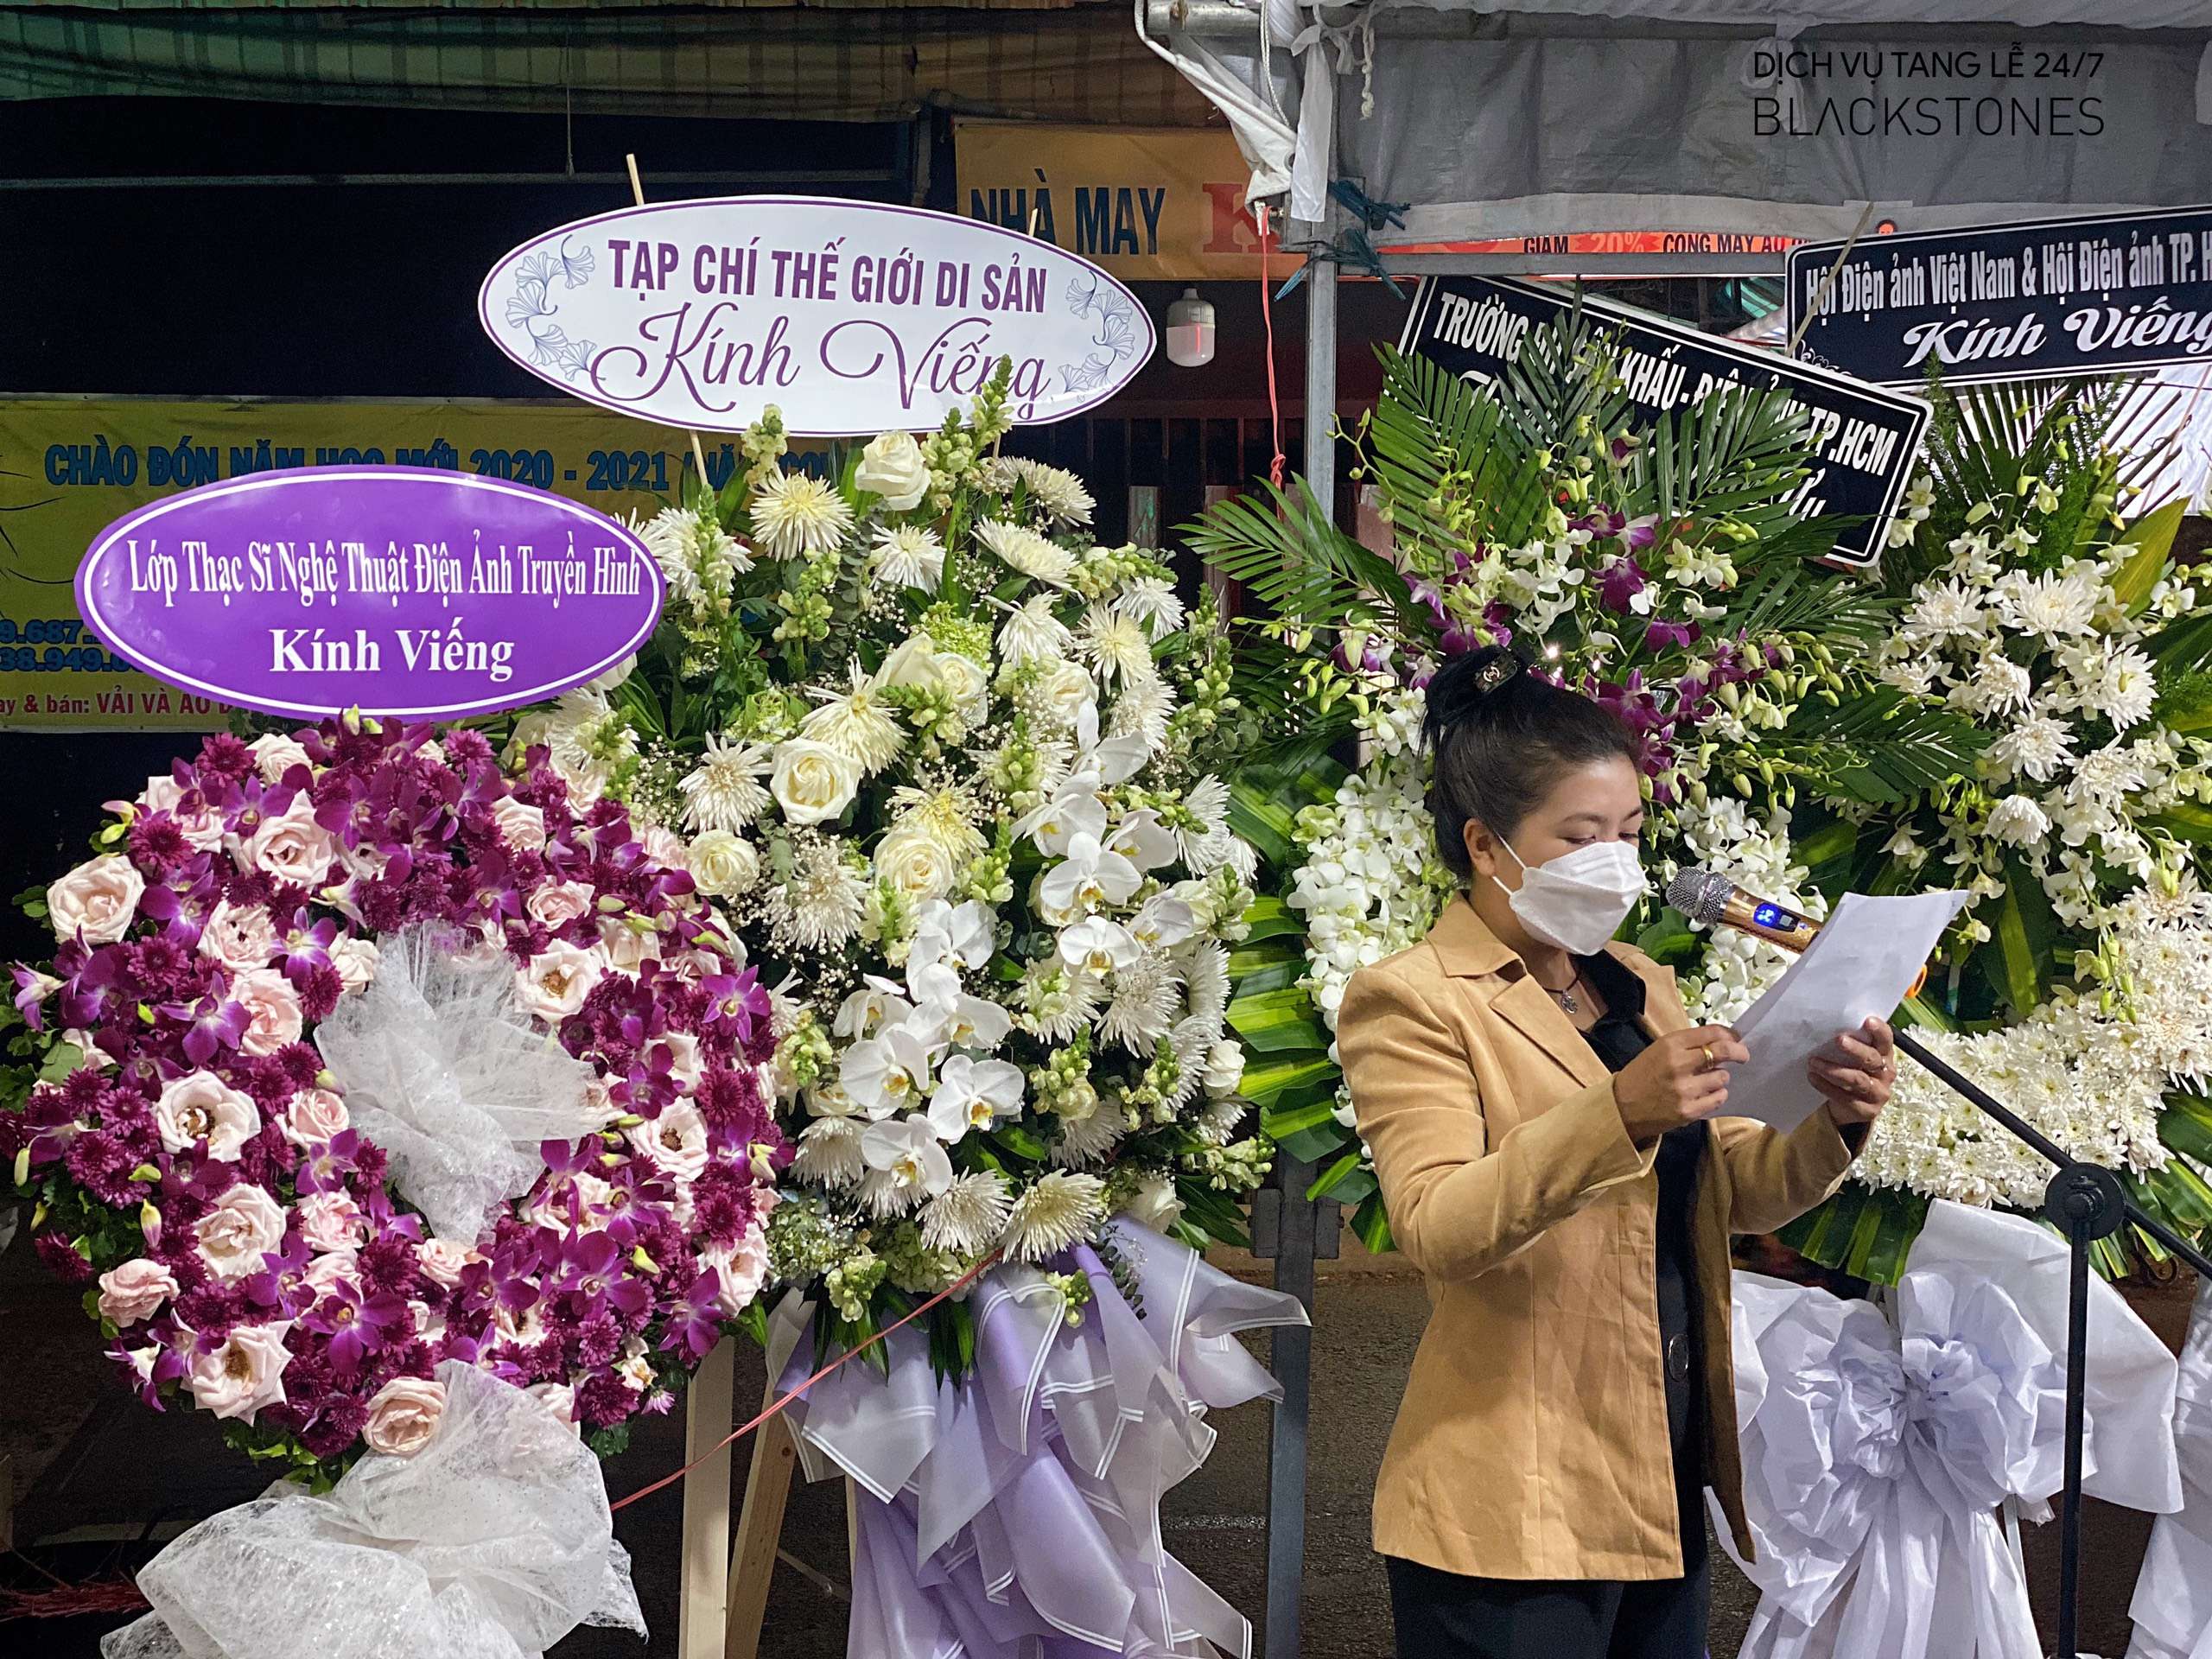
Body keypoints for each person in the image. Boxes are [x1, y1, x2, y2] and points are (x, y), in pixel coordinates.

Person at [1336, 645, 1897, 1659]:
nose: (1615, 860)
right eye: (1581, 835)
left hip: (1658, 1473)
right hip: (1509, 1505)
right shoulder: (1412, 997)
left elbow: (1733, 1191)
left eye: (1630, 833)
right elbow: (1437, 1227)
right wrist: (1619, 1113)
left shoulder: (1635, 980)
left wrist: (1834, 1119)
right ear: (1485, 843)